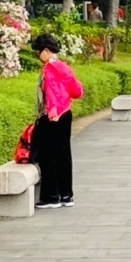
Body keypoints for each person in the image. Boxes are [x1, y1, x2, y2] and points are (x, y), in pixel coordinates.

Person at [30, 33, 84, 209]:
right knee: (63, 154)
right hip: (66, 113)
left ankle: (51, 196)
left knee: (47, 155)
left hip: (52, 115)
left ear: (46, 50)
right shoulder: (64, 66)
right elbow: (76, 91)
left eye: (38, 52)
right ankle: (67, 195)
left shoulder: (49, 68)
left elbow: (51, 90)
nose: (38, 56)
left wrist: (53, 110)